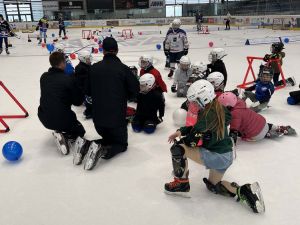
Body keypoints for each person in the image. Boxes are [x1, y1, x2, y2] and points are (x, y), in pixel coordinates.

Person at [164, 80, 265, 214]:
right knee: (214, 186)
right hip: (226, 155)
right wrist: (181, 131)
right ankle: (245, 191)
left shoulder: (208, 115)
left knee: (178, 148)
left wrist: (183, 137)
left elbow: (191, 141)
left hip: (218, 156)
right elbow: (197, 128)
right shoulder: (216, 107)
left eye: (194, 101)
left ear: (203, 99)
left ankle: (181, 184)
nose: (192, 104)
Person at [73, 37, 140, 170]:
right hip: (116, 119)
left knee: (108, 139)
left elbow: (86, 90)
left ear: (103, 51)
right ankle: (102, 151)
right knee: (121, 144)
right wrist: (124, 96)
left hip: (98, 120)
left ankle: (86, 144)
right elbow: (135, 90)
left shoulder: (93, 69)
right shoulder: (123, 69)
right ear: (117, 50)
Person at [38, 52, 85, 156]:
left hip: (43, 117)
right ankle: (65, 136)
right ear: (63, 63)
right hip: (61, 118)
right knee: (80, 131)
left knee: (57, 107)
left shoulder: (44, 77)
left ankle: (59, 130)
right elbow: (78, 102)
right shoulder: (68, 79)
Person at [218, 92, 296, 144]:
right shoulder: (240, 103)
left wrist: (231, 142)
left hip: (255, 134)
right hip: (263, 123)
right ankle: (275, 127)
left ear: (228, 106)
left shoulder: (234, 114)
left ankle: (265, 135)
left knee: (240, 135)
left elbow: (233, 131)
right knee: (257, 123)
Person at [75, 51, 92, 119]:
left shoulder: (87, 66)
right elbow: (81, 83)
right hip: (83, 92)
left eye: (89, 58)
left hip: (86, 89)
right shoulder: (80, 68)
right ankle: (90, 110)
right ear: (82, 59)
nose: (89, 60)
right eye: (87, 59)